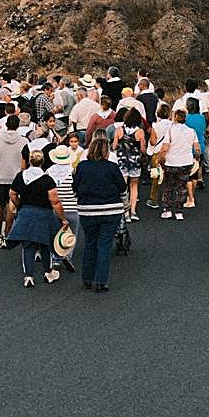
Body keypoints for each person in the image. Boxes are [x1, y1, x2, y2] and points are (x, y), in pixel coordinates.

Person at [72, 136, 127, 291]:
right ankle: (101, 281)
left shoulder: (82, 167)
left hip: (88, 210)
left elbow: (75, 187)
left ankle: (87, 279)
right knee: (104, 245)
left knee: (90, 243)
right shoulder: (112, 167)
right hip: (110, 209)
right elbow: (122, 187)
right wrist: (125, 204)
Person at [7, 150, 67, 287]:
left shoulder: (21, 176)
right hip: (43, 214)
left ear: (29, 161)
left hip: (25, 213)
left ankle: (29, 277)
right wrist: (63, 218)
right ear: (42, 162)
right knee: (45, 244)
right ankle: (48, 273)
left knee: (28, 245)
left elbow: (12, 194)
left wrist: (20, 205)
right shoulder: (47, 179)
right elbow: (55, 201)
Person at [0, 114, 27, 245]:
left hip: (0, 177)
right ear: (18, 126)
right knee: (13, 206)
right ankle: (8, 234)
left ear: (6, 125)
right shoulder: (24, 141)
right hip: (16, 178)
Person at [159, 110, 200, 221]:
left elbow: (165, 148)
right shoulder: (191, 131)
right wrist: (197, 158)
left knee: (168, 187)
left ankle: (167, 210)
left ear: (175, 118)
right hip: (186, 162)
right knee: (181, 187)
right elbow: (197, 148)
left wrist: (159, 159)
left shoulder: (170, 131)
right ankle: (179, 211)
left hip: (171, 162)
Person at [45, 144, 79, 272]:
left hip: (55, 208)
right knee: (71, 234)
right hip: (72, 206)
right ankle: (67, 255)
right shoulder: (73, 171)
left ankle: (55, 257)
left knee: (54, 232)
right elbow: (77, 189)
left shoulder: (49, 172)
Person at [112, 108, 146, 221]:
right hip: (135, 162)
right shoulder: (140, 132)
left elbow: (114, 146)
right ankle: (133, 211)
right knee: (134, 186)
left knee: (123, 187)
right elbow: (143, 148)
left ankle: (125, 212)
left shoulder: (119, 130)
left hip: (122, 162)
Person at [146, 102, 172, 209]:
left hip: (157, 153)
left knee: (156, 176)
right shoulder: (172, 125)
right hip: (169, 152)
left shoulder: (156, 126)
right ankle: (167, 197)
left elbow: (153, 141)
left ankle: (153, 199)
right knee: (168, 176)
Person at [185, 97, 207, 202]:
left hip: (189, 146)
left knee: (188, 171)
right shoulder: (202, 118)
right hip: (201, 145)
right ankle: (200, 178)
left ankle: (188, 194)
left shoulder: (186, 118)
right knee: (199, 163)